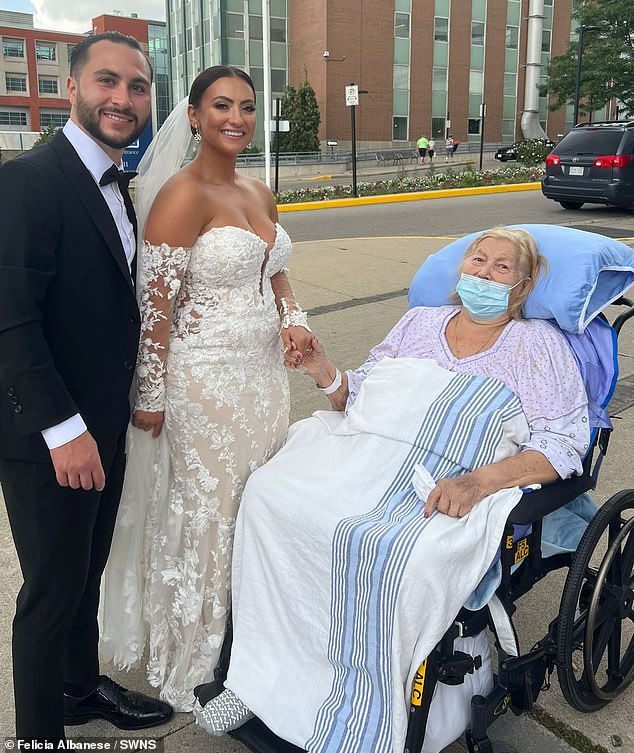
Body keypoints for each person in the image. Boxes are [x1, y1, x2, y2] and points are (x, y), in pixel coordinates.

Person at [193, 228, 590, 752]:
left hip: (455, 481)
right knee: (270, 498)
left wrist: (477, 482)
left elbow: (564, 446)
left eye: (502, 267)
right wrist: (322, 369)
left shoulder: (539, 345)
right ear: (461, 269)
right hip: (371, 459)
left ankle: (366, 710)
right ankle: (259, 680)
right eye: (478, 260)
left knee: (403, 554)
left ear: (522, 285)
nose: (485, 273)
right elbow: (363, 397)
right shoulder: (420, 323)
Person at [99, 66, 312, 713]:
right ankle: (194, 655)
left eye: (247, 107)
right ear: (193, 115)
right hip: (204, 383)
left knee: (255, 507)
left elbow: (274, 271)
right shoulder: (179, 196)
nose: (236, 118)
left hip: (262, 379)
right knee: (209, 517)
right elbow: (156, 307)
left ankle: (251, 639)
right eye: (221, 105)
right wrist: (152, 395)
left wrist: (294, 320)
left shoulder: (260, 189)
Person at [0, 32, 174, 742]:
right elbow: (10, 318)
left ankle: (78, 687)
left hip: (102, 425)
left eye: (136, 87)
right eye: (108, 81)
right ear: (73, 87)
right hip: (50, 436)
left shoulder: (115, 183)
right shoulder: (30, 180)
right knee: (48, 595)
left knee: (83, 574)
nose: (122, 98)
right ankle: (41, 733)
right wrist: (62, 428)